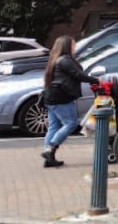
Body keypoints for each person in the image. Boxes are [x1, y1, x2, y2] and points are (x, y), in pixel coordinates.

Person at [41, 35, 100, 168]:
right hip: (61, 97)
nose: (75, 47)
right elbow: (78, 75)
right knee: (71, 123)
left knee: (54, 126)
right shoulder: (65, 60)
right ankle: (50, 149)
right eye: (73, 45)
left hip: (51, 97)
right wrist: (97, 80)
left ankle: (48, 156)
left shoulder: (55, 59)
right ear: (67, 46)